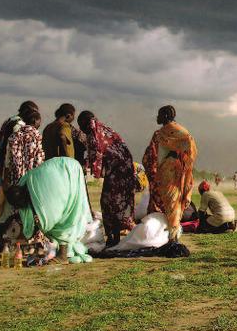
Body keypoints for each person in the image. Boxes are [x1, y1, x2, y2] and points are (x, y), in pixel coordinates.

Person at [5, 157, 93, 263]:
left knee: (61, 221)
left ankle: (63, 255)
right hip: (66, 170)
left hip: (66, 173)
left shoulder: (37, 192)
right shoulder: (29, 184)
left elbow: (47, 221)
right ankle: (62, 252)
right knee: (56, 220)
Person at [79, 111, 142, 247]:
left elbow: (95, 160)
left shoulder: (93, 134)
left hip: (117, 173)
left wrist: (84, 167)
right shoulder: (105, 129)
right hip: (125, 171)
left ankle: (114, 238)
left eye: (81, 126)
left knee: (109, 203)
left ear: (84, 124)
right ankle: (120, 236)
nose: (81, 130)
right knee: (120, 203)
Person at [142, 105, 197, 242]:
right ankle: (172, 237)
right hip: (176, 175)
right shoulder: (182, 132)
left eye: (159, 115)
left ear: (165, 116)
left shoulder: (159, 134)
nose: (157, 117)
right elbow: (191, 151)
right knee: (174, 203)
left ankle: (173, 239)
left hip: (168, 175)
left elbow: (148, 157)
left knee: (172, 204)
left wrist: (170, 160)